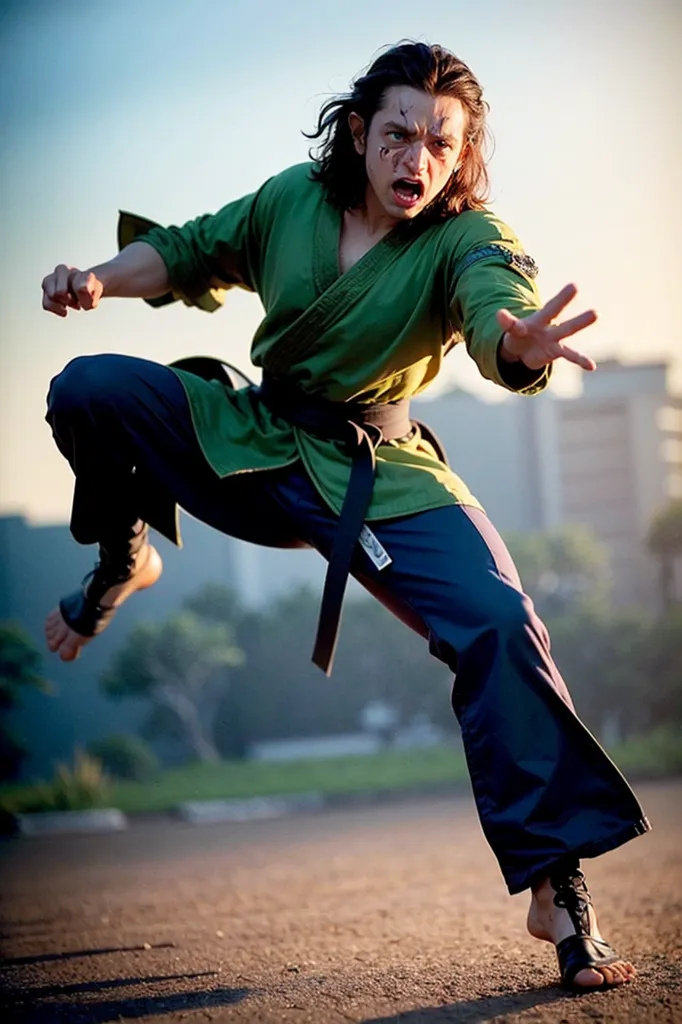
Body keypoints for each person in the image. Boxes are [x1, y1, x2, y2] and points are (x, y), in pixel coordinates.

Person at [41, 41, 649, 991]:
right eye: (400, 134)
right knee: (87, 388)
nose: (418, 159)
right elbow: (193, 247)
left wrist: (518, 343)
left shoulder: (467, 237)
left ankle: (558, 888)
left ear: (460, 156)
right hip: (253, 440)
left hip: (380, 475)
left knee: (497, 619)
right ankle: (122, 562)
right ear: (362, 133)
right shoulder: (292, 199)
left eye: (441, 144)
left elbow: (498, 306)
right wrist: (97, 279)